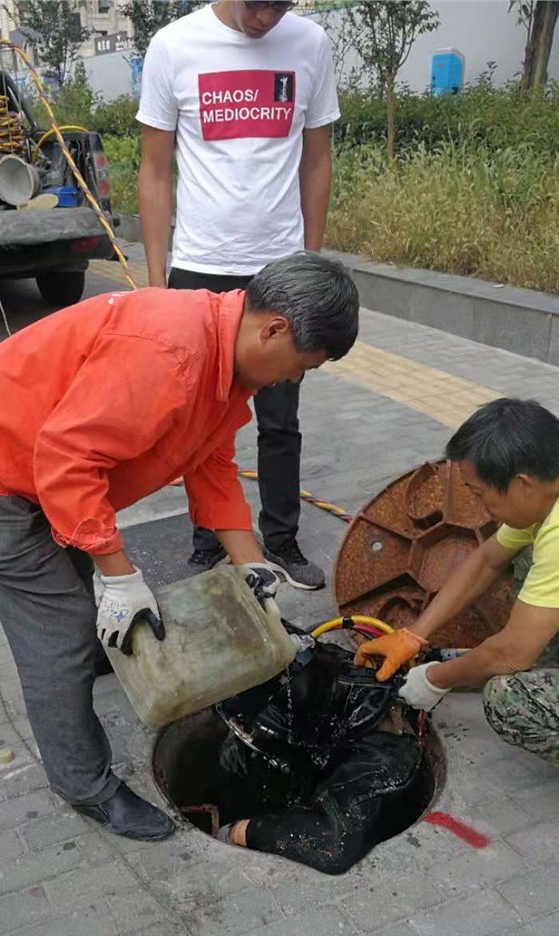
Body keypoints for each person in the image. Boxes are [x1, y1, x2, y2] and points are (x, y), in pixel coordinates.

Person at [0, 253, 359, 842]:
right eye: (301, 366)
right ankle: (86, 786)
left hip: (42, 466)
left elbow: (214, 464)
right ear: (274, 328)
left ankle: (97, 648)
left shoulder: (228, 367)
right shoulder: (172, 355)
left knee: (80, 597)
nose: (293, 380)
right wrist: (121, 578)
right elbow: (67, 460)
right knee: (57, 638)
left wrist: (249, 560)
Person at [137, 0, 339, 591]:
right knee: (202, 421)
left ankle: (280, 539)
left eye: (282, 5)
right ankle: (210, 540)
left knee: (280, 419)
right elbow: (154, 170)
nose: (267, 18)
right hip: (199, 269)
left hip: (278, 271)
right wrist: (157, 285)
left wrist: (309, 263)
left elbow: (318, 160)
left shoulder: (310, 45)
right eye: (257, 4)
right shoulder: (174, 46)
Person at [355, 399, 559, 820]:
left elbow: (512, 655)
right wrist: (415, 634)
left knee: (510, 701)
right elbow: (486, 560)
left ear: (521, 482)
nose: (479, 504)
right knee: (524, 563)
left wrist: (432, 681)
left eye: (479, 492)